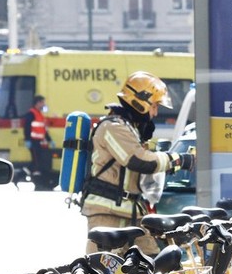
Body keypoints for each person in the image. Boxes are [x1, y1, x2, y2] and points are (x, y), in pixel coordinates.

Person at [82, 71, 194, 258]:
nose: (156, 112)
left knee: (153, 264)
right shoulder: (113, 127)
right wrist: (178, 160)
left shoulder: (129, 129)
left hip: (131, 212)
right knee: (104, 271)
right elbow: (139, 160)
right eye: (155, 106)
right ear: (141, 102)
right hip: (107, 213)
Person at [22, 94, 55, 191]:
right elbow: (27, 127)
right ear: (38, 103)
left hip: (38, 142)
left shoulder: (39, 114)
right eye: (42, 102)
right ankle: (37, 183)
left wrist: (49, 140)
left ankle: (22, 174)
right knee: (36, 163)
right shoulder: (31, 113)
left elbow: (43, 130)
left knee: (37, 162)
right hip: (33, 142)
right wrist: (27, 139)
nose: (44, 104)